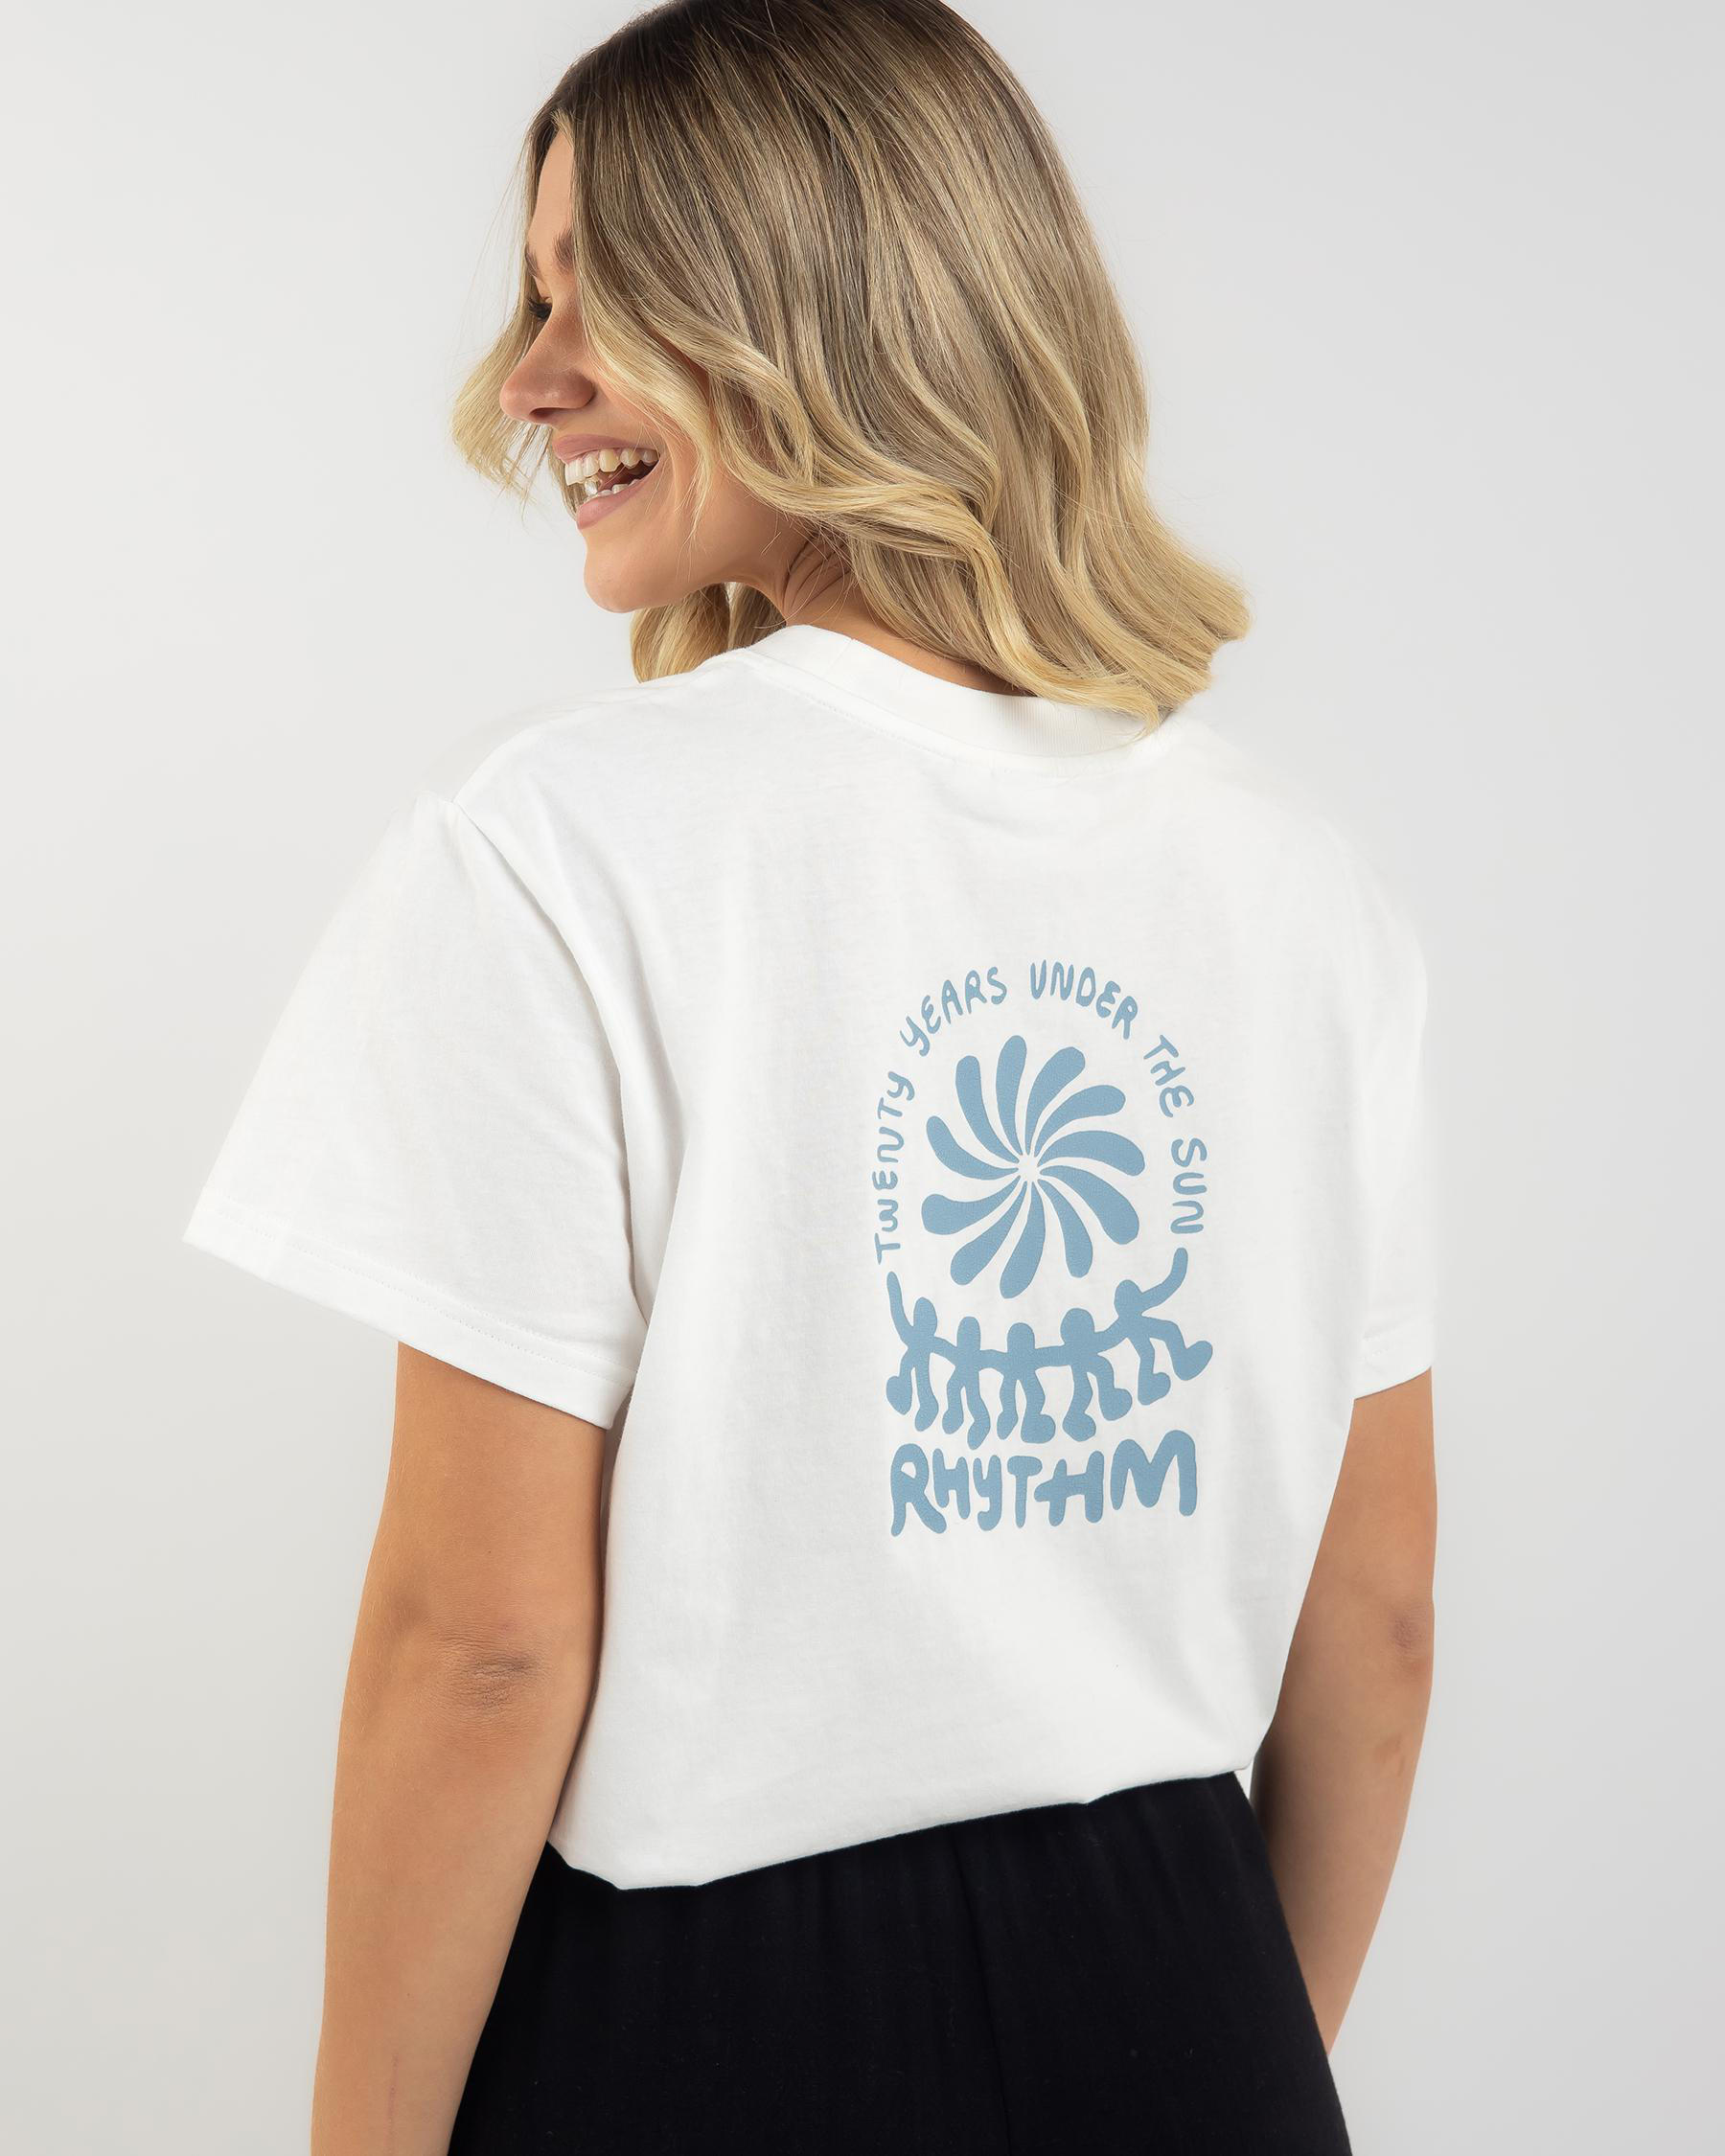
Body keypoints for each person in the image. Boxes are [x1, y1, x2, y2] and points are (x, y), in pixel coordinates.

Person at [182, 3, 1439, 2150]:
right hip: (1190, 1981)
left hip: (712, 2026)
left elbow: (482, 1645)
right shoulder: (1299, 883)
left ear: (808, 301)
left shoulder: (561, 848)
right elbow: (1380, 1619)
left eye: (598, 294)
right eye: (534, 302)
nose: (525, 380)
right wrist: (1238, 2055)